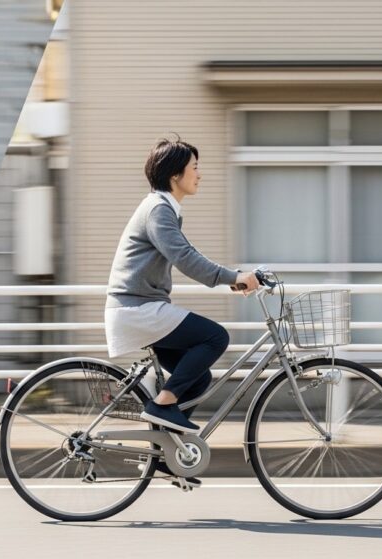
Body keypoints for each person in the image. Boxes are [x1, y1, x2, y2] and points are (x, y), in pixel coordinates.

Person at [104, 136, 259, 487]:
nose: (200, 175)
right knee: (215, 337)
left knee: (198, 378)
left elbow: (186, 254)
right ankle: (161, 406)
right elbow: (185, 257)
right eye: (195, 168)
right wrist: (233, 276)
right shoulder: (158, 209)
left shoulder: (164, 207)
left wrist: (231, 280)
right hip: (136, 309)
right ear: (176, 175)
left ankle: (166, 454)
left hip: (142, 308)